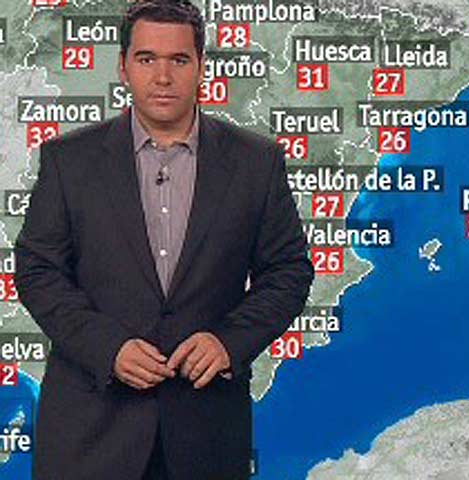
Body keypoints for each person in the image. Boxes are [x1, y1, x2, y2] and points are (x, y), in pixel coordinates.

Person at [13, 1, 314, 479]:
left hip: (205, 435)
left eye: (178, 60)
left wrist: (228, 342)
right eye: (146, 58)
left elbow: (288, 272)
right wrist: (108, 348)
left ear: (201, 67)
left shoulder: (257, 164)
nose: (162, 77)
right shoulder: (69, 161)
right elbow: (37, 270)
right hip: (91, 434)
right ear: (123, 67)